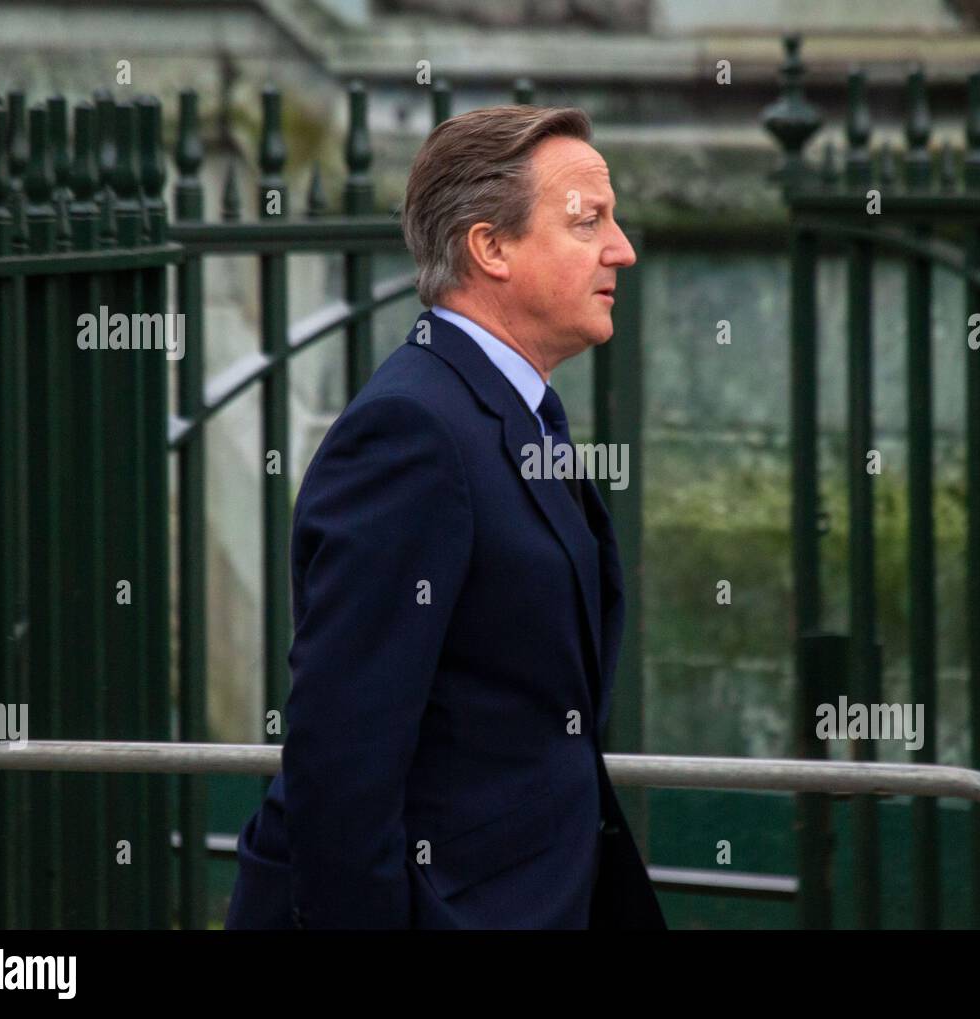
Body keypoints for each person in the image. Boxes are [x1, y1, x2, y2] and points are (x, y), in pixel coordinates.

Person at [224, 103, 664, 929]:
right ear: (490, 248)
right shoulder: (413, 433)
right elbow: (341, 760)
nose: (622, 248)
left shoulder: (507, 408)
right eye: (589, 222)